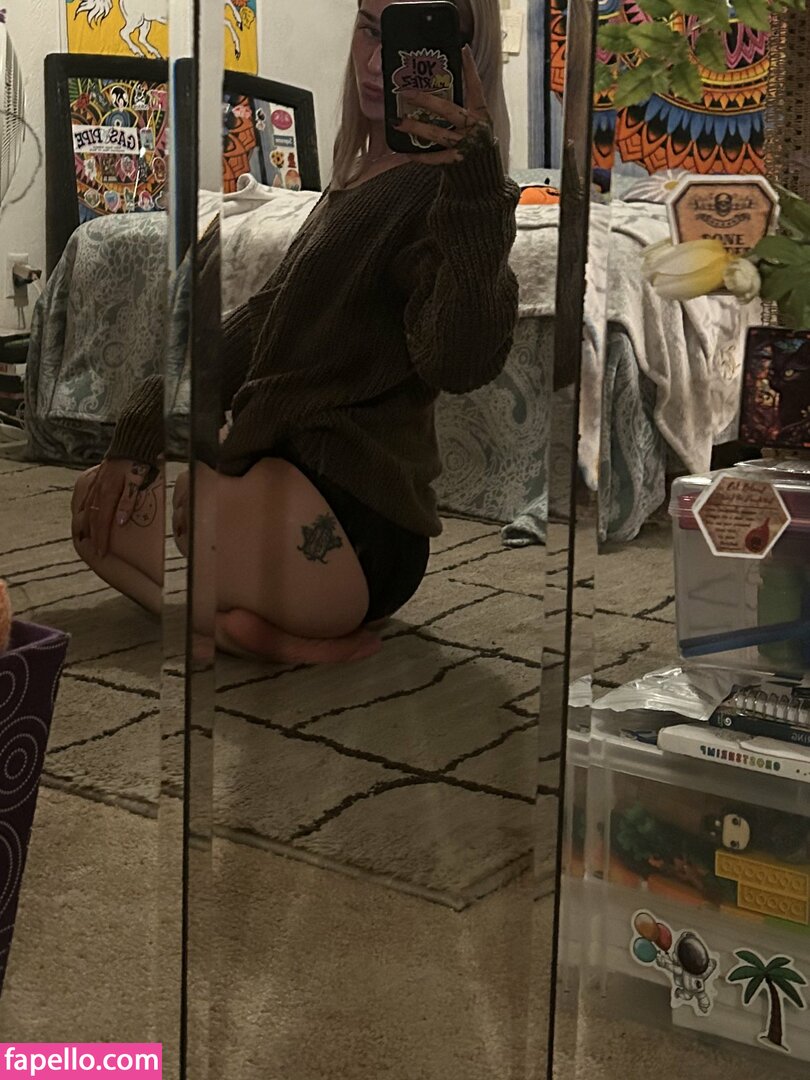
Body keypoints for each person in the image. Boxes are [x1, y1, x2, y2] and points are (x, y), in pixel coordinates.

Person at [71, 0, 520, 664]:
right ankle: (247, 627)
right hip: (312, 515)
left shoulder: (442, 194)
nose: (378, 63)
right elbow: (265, 322)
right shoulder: (358, 177)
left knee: (149, 509)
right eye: (370, 29)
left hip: (356, 520)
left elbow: (458, 362)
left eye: (407, 43)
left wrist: (475, 190)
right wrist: (145, 421)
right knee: (95, 505)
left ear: (466, 61)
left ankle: (254, 622)